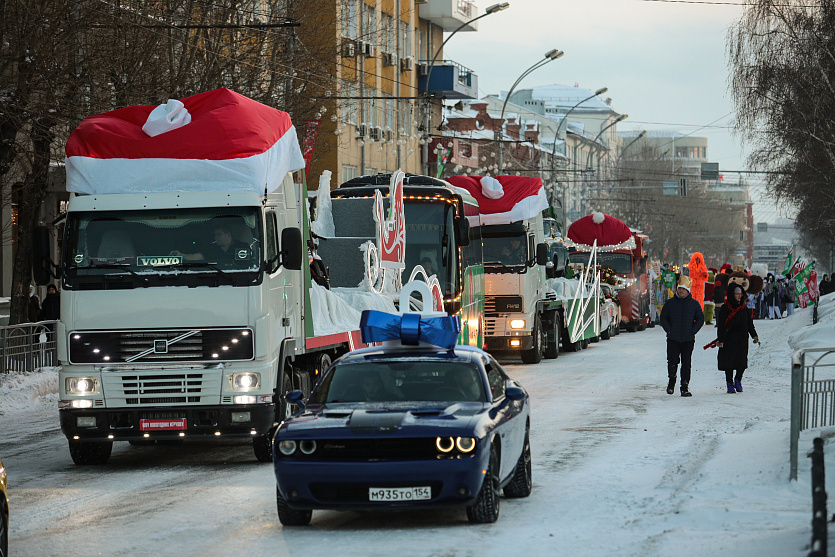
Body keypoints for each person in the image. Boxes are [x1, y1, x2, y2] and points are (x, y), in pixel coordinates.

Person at [660, 275, 704, 397]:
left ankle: (684, 386)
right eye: (679, 288)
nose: (681, 291)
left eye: (683, 289)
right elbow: (663, 318)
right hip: (673, 338)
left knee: (686, 363)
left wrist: (693, 331)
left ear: (688, 291)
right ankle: (671, 382)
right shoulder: (670, 303)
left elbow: (700, 319)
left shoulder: (694, 304)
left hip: (688, 339)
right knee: (672, 361)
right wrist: (669, 330)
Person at [716, 283, 759, 393]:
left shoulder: (744, 308)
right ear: (732, 294)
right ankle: (729, 383)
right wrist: (720, 339)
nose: (739, 296)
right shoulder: (725, 308)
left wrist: (754, 335)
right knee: (729, 362)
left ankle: (738, 379)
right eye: (737, 294)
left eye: (741, 293)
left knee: (742, 362)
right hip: (729, 339)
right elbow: (721, 325)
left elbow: (750, 323)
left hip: (742, 339)